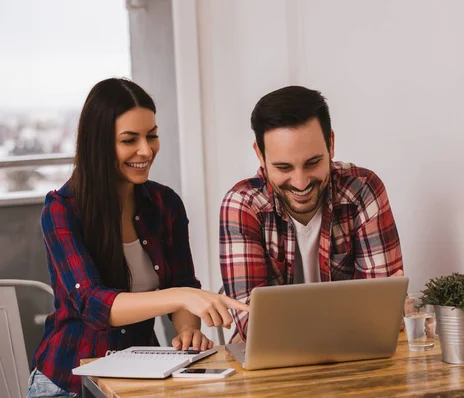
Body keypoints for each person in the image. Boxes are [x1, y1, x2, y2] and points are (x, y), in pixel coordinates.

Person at [28, 78, 248, 397]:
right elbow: (93, 303)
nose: (146, 150)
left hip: (144, 379)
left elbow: (183, 281)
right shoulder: (62, 210)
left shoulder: (165, 204)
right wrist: (182, 297)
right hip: (68, 384)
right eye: (130, 140)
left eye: (152, 136)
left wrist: (188, 330)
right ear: (98, 143)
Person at [219, 85, 403, 341]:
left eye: (313, 163)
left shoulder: (362, 190)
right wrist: (354, 315)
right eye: (283, 167)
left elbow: (382, 311)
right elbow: (254, 324)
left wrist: (375, 314)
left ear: (331, 143)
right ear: (260, 155)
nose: (301, 182)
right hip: (276, 364)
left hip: (355, 357)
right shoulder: (242, 205)